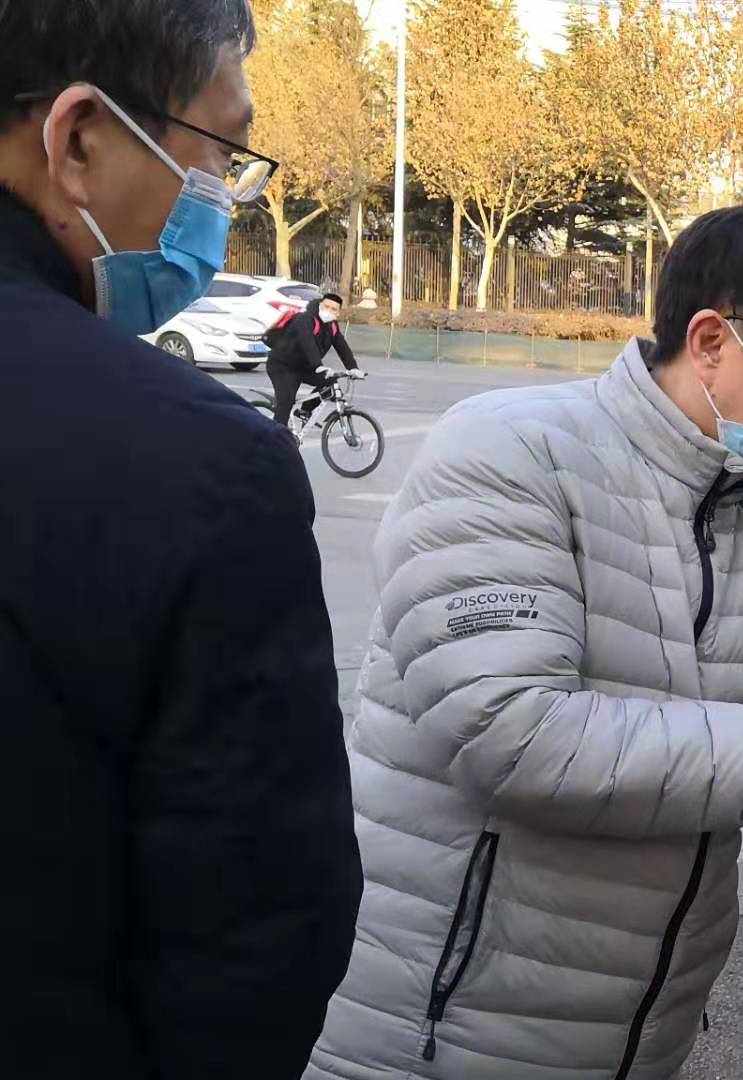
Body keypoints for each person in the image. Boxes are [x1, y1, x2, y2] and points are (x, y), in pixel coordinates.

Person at [307, 205, 743, 1080]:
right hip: (439, 1026)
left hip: (641, 1034)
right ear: (713, 341)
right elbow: (508, 732)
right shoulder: (512, 453)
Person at [0, 2, 362, 1077]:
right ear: (77, 140)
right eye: (218, 153)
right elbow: (256, 934)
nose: (222, 198)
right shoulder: (202, 466)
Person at [267, 290, 362, 428]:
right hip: (283, 366)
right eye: (326, 306)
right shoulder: (305, 319)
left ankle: (305, 410)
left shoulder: (332, 326)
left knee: (330, 381)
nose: (328, 311)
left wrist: (353, 368)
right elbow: (307, 343)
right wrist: (318, 365)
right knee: (286, 401)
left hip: (305, 367)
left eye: (333, 309)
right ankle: (277, 437)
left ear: (338, 313)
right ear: (320, 305)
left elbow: (342, 347)